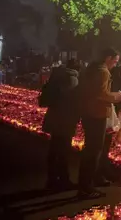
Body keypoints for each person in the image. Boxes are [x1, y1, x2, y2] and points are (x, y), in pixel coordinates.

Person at [76, 48, 121, 199]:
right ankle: (86, 187)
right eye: (115, 61)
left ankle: (90, 181)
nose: (115, 65)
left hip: (88, 112)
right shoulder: (102, 72)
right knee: (94, 150)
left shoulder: (91, 69)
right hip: (97, 113)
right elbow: (101, 94)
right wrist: (117, 96)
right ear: (108, 58)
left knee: (91, 149)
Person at [40, 59, 81, 190]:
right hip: (65, 119)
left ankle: (51, 179)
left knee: (54, 148)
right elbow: (72, 101)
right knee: (63, 150)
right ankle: (64, 179)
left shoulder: (57, 76)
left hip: (54, 116)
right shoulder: (72, 79)